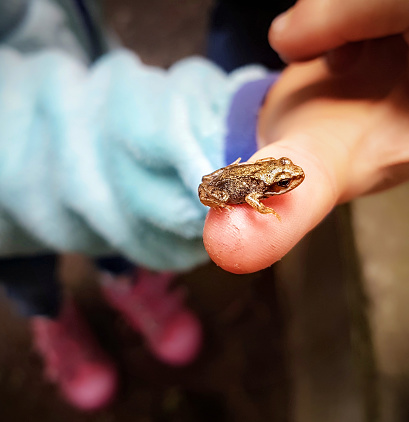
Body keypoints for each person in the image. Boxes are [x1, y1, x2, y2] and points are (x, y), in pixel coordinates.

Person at [203, 0, 409, 274]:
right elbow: (252, 200)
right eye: (285, 181)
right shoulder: (258, 191)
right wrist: (265, 212)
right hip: (227, 183)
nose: (294, 177)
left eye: (285, 175)